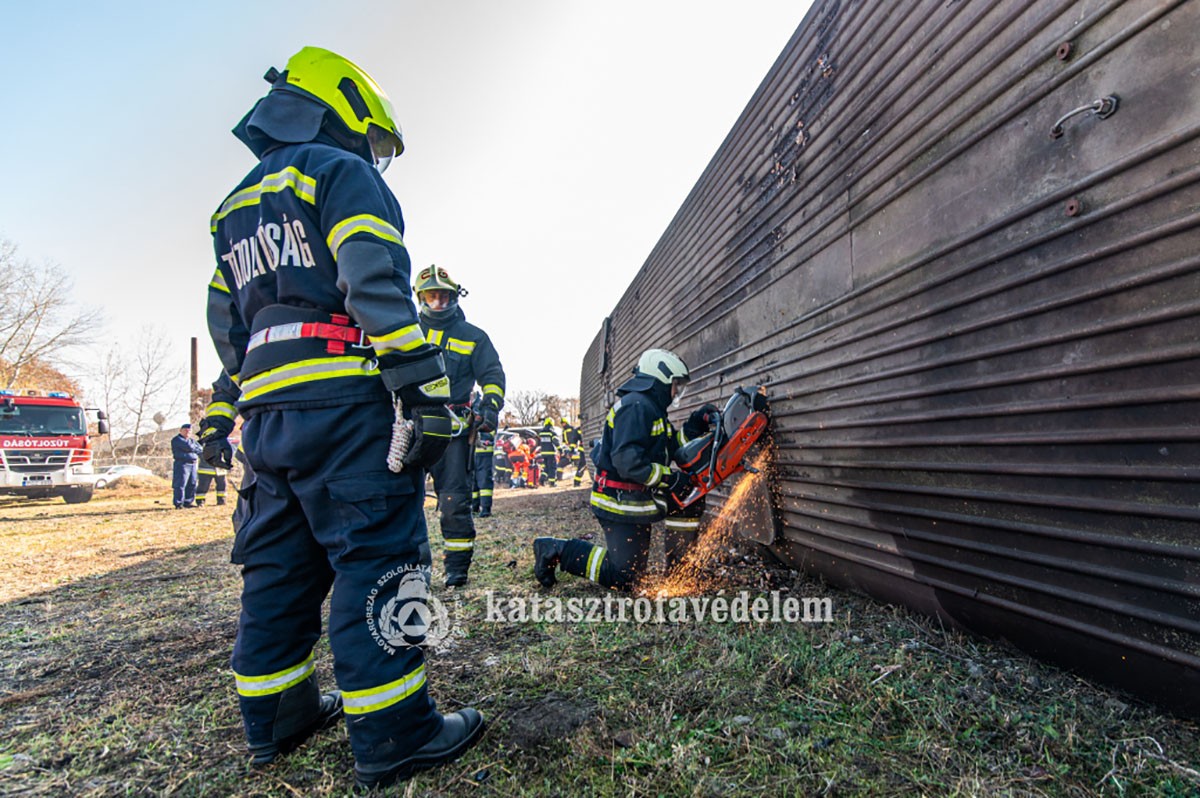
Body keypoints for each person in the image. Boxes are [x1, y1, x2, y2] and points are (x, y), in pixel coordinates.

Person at [206, 47, 483, 789]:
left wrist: (243, 402)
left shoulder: (232, 209)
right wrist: (423, 392)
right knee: (381, 560)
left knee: (277, 567)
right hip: (347, 411)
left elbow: (225, 323)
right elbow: (372, 277)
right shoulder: (339, 173)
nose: (374, 156)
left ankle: (279, 719)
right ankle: (397, 734)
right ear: (347, 107)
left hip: (268, 423)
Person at [531, 349, 716, 591]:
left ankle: (680, 571)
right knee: (626, 578)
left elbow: (673, 448)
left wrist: (694, 426)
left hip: (639, 496)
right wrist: (669, 479)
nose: (676, 392)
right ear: (659, 380)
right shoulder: (636, 407)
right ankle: (556, 549)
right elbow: (628, 463)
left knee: (689, 496)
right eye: (675, 385)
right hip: (619, 502)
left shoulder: (652, 409)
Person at [413, 265, 505, 586]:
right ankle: (409, 570)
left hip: (453, 430)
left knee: (454, 501)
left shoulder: (473, 337)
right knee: (401, 500)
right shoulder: (403, 331)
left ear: (455, 296)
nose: (438, 303)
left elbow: (492, 377)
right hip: (406, 430)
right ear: (420, 297)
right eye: (431, 296)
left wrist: (490, 410)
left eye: (444, 296)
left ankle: (456, 569)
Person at [470, 396, 496, 517]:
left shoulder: (484, 409)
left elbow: (490, 428)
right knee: (473, 481)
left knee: (484, 479)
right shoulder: (467, 405)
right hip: (472, 451)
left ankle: (486, 508)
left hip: (484, 450)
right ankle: (474, 507)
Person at [170, 423, 203, 508]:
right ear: (181, 431)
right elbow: (188, 447)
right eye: (185, 430)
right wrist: (193, 449)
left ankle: (188, 502)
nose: (187, 432)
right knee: (181, 484)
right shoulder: (177, 439)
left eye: (189, 431)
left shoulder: (192, 440)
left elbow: (200, 449)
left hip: (193, 464)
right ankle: (179, 503)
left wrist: (193, 448)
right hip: (182, 464)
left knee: (192, 483)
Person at [562, 417, 589, 487]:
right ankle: (577, 482)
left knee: (582, 466)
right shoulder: (577, 430)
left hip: (584, 450)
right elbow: (574, 442)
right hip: (584, 451)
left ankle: (577, 482)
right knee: (582, 466)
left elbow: (573, 442)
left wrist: (571, 450)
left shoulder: (577, 429)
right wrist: (571, 450)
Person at [538, 418, 559, 487]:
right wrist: (560, 450)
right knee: (552, 467)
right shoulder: (551, 432)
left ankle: (542, 479)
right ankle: (552, 483)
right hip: (551, 453)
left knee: (546, 467)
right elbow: (556, 442)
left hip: (543, 453)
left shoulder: (541, 432)